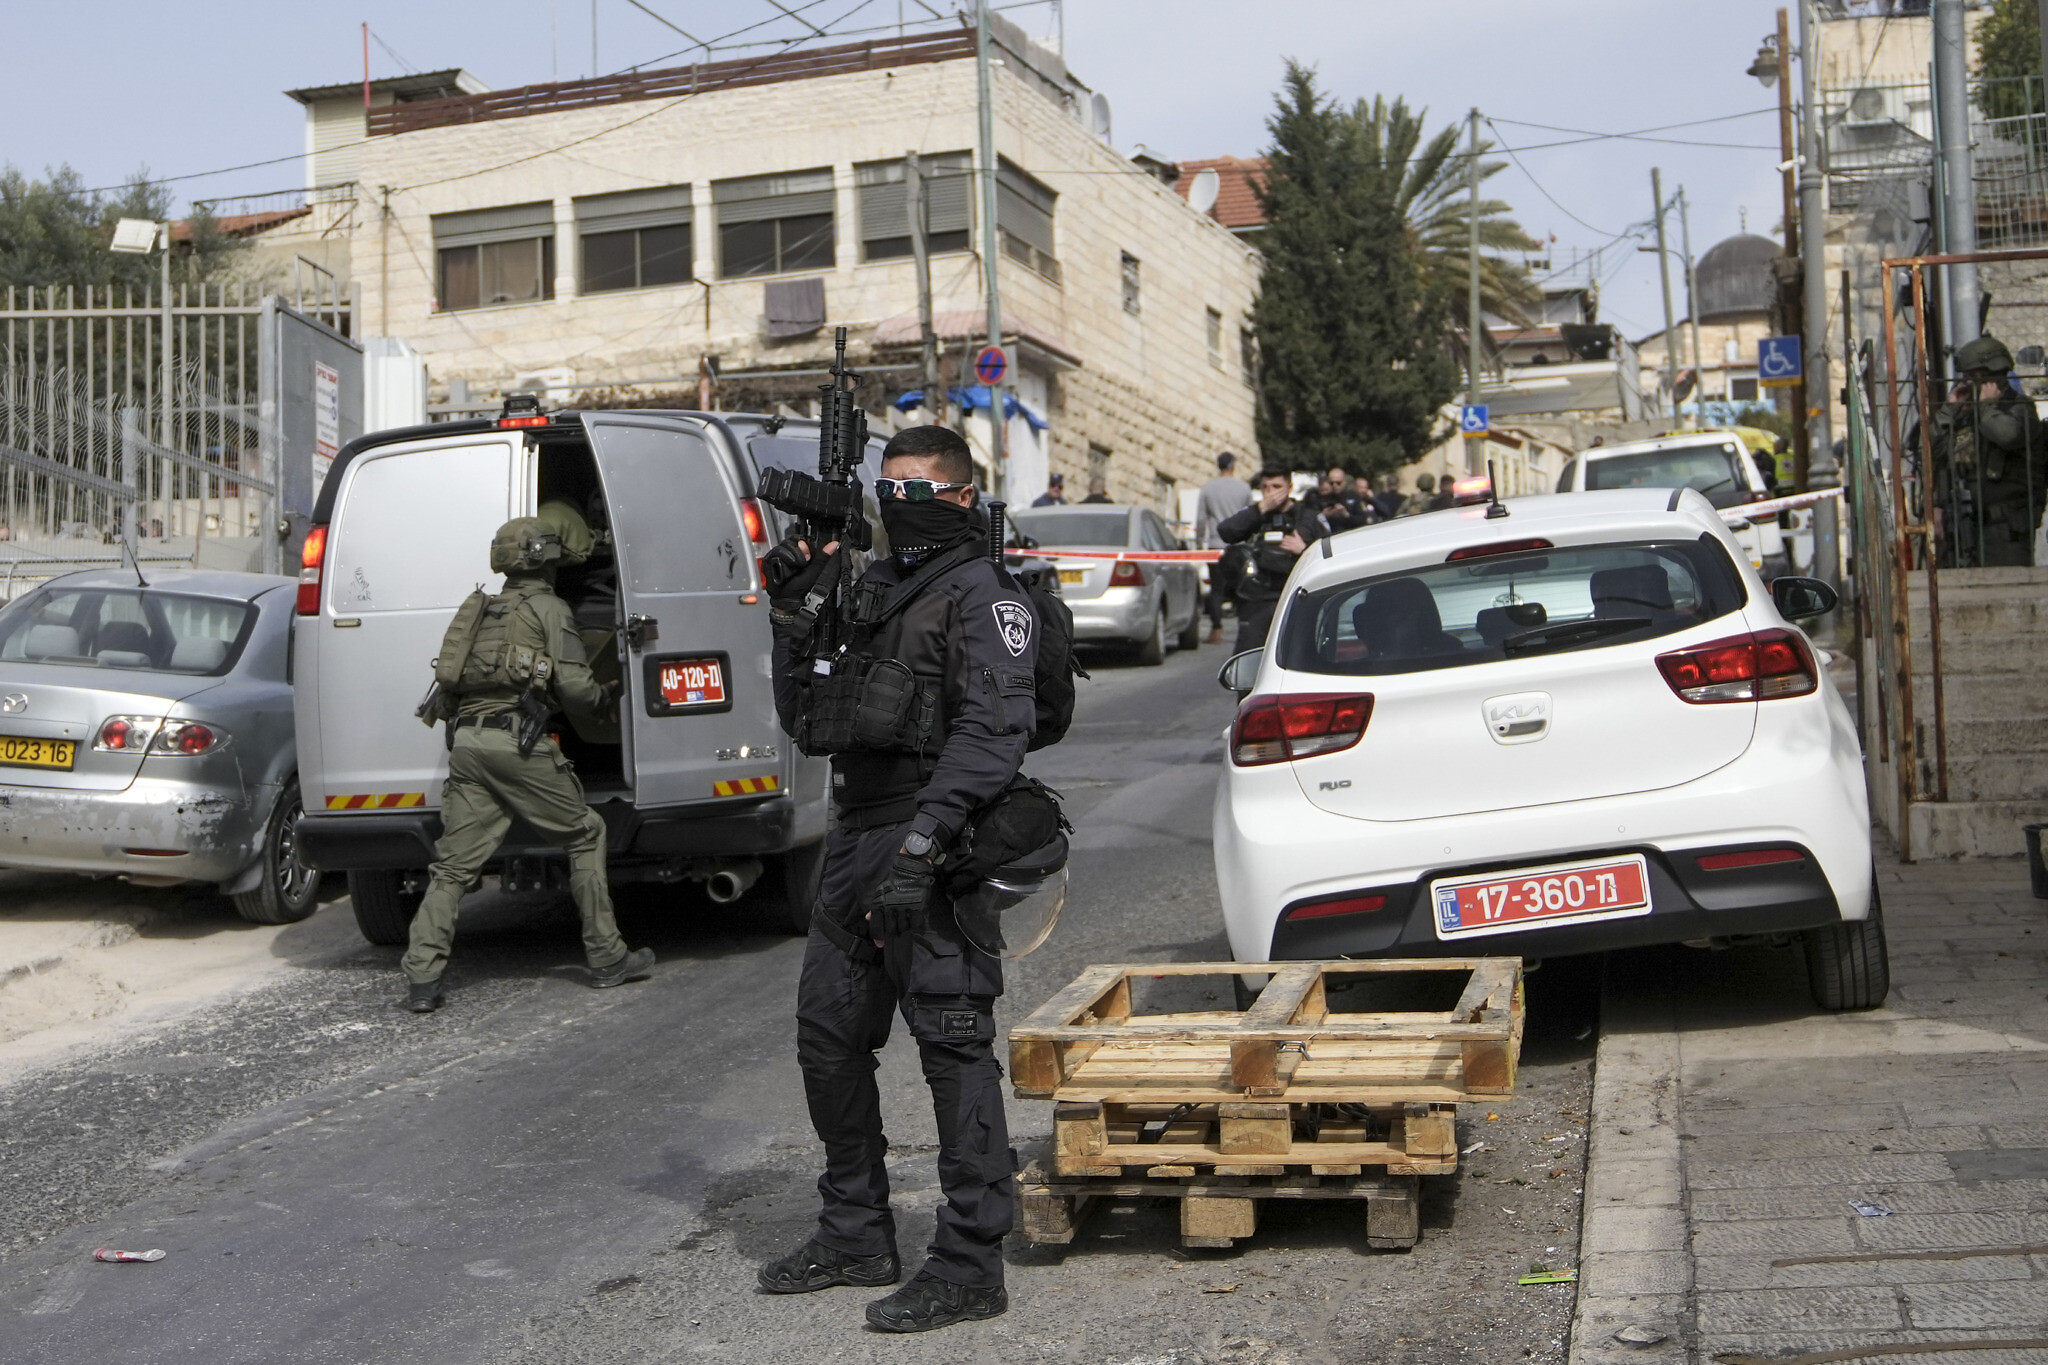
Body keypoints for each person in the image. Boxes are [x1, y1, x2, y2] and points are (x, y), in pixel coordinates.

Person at [759, 425, 1034, 1334]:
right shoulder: (873, 589)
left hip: (934, 839)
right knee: (826, 1034)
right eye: (889, 486)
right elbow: (810, 718)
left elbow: (994, 732)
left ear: (960, 496)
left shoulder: (982, 593)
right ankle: (855, 1231)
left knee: (952, 1044)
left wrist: (926, 843)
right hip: (855, 837)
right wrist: (793, 612)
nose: (898, 502)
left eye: (918, 488)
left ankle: (968, 1260)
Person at [401, 518, 653, 1014]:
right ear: (546, 560)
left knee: (452, 867)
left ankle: (422, 980)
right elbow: (577, 691)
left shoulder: (483, 609)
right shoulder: (549, 608)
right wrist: (606, 695)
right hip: (514, 744)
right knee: (586, 833)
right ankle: (607, 957)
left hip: (468, 744)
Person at [1928, 334, 2047, 567]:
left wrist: (1985, 407)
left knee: (2009, 594)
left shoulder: (2020, 408)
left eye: (1974, 377)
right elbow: (1935, 452)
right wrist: (1949, 411)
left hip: (2005, 528)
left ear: (1992, 377)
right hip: (1964, 526)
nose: (1967, 383)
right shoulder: (1966, 412)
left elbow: (2007, 435)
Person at [1216, 465, 1327, 652]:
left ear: (1289, 487)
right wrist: (1261, 509)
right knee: (1250, 652)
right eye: (1265, 487)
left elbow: (1328, 552)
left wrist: (1304, 549)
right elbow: (1226, 531)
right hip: (1258, 598)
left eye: (1276, 487)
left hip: (1295, 595)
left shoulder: (1307, 516)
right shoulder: (1256, 515)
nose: (1271, 492)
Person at [1195, 452, 1254, 644]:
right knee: (1242, 588)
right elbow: (1251, 515)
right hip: (1238, 545)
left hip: (1215, 545)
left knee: (1216, 589)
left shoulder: (1208, 489)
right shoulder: (1244, 488)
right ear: (1233, 466)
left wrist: (1199, 543)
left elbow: (1201, 518)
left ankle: (1216, 629)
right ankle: (1244, 627)